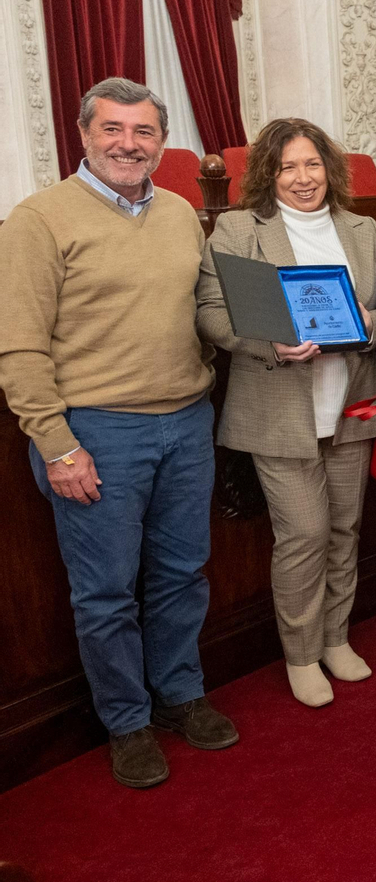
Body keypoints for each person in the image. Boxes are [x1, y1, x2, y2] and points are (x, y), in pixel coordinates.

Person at [0, 77, 238, 788]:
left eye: (142, 133)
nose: (128, 144)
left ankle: (178, 695)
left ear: (160, 142)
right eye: (113, 130)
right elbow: (19, 347)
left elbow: (202, 307)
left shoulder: (178, 212)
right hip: (97, 434)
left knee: (180, 574)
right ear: (83, 134)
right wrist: (57, 443)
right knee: (104, 593)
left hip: (188, 421)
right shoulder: (38, 220)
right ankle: (127, 723)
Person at [196, 118, 376, 708]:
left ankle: (335, 637)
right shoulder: (236, 229)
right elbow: (210, 313)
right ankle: (301, 653)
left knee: (343, 529)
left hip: (350, 404)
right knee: (302, 534)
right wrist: (269, 342)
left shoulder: (360, 230)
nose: (303, 178)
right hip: (278, 409)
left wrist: (360, 326)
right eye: (288, 168)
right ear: (268, 176)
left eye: (312, 165)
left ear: (330, 168)